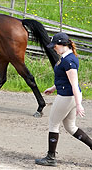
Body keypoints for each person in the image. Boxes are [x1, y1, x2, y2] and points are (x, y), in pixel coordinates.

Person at [35, 32, 92, 166]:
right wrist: (53, 88)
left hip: (67, 97)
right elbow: (64, 79)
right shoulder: (66, 57)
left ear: (62, 45)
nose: (54, 48)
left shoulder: (69, 61)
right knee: (70, 127)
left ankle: (50, 158)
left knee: (53, 123)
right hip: (68, 95)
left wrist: (79, 105)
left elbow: (74, 84)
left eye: (55, 46)